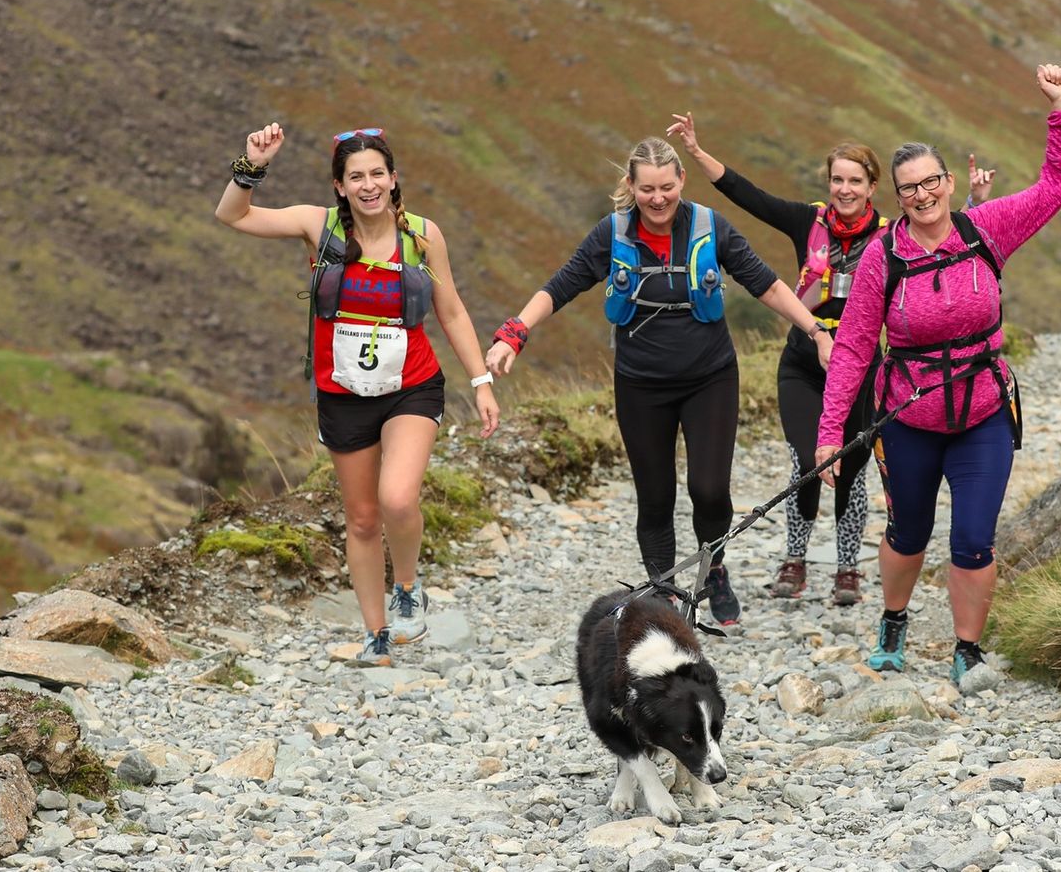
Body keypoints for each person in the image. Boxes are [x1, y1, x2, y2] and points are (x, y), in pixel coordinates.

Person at [484, 136, 832, 627]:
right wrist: (512, 335)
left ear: (680, 181)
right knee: (655, 495)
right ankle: (664, 589)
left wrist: (816, 331)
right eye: (647, 189)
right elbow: (562, 284)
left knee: (710, 489)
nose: (658, 198)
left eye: (666, 187)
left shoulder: (712, 227)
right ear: (631, 186)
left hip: (710, 377)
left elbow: (767, 285)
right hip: (640, 383)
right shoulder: (613, 233)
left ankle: (713, 569)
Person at [664, 114, 998, 606]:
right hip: (803, 357)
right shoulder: (809, 221)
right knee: (807, 460)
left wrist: (974, 201)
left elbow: (949, 239)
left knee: (855, 464)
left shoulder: (893, 235)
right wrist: (695, 151)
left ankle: (847, 569)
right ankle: (794, 561)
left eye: (854, 181)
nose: (844, 189)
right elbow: (747, 195)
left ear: (872, 187)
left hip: (865, 366)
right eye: (837, 179)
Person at [816, 64, 1061, 684]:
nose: (922, 195)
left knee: (973, 537)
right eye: (908, 189)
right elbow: (853, 348)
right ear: (897, 197)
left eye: (930, 182)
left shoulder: (986, 229)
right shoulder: (884, 257)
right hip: (907, 416)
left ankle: (967, 650)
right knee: (908, 531)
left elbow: (1058, 184)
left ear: (948, 181)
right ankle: (894, 619)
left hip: (983, 410)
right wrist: (830, 435)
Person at [215, 123, 500, 666]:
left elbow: (453, 310)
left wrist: (481, 381)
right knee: (364, 518)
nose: (368, 185)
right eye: (356, 177)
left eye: (377, 174)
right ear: (339, 186)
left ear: (393, 180)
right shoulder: (317, 227)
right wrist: (252, 164)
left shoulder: (421, 235)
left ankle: (409, 587)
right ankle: (377, 637)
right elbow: (233, 215)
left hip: (412, 385)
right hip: (343, 393)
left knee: (397, 498)